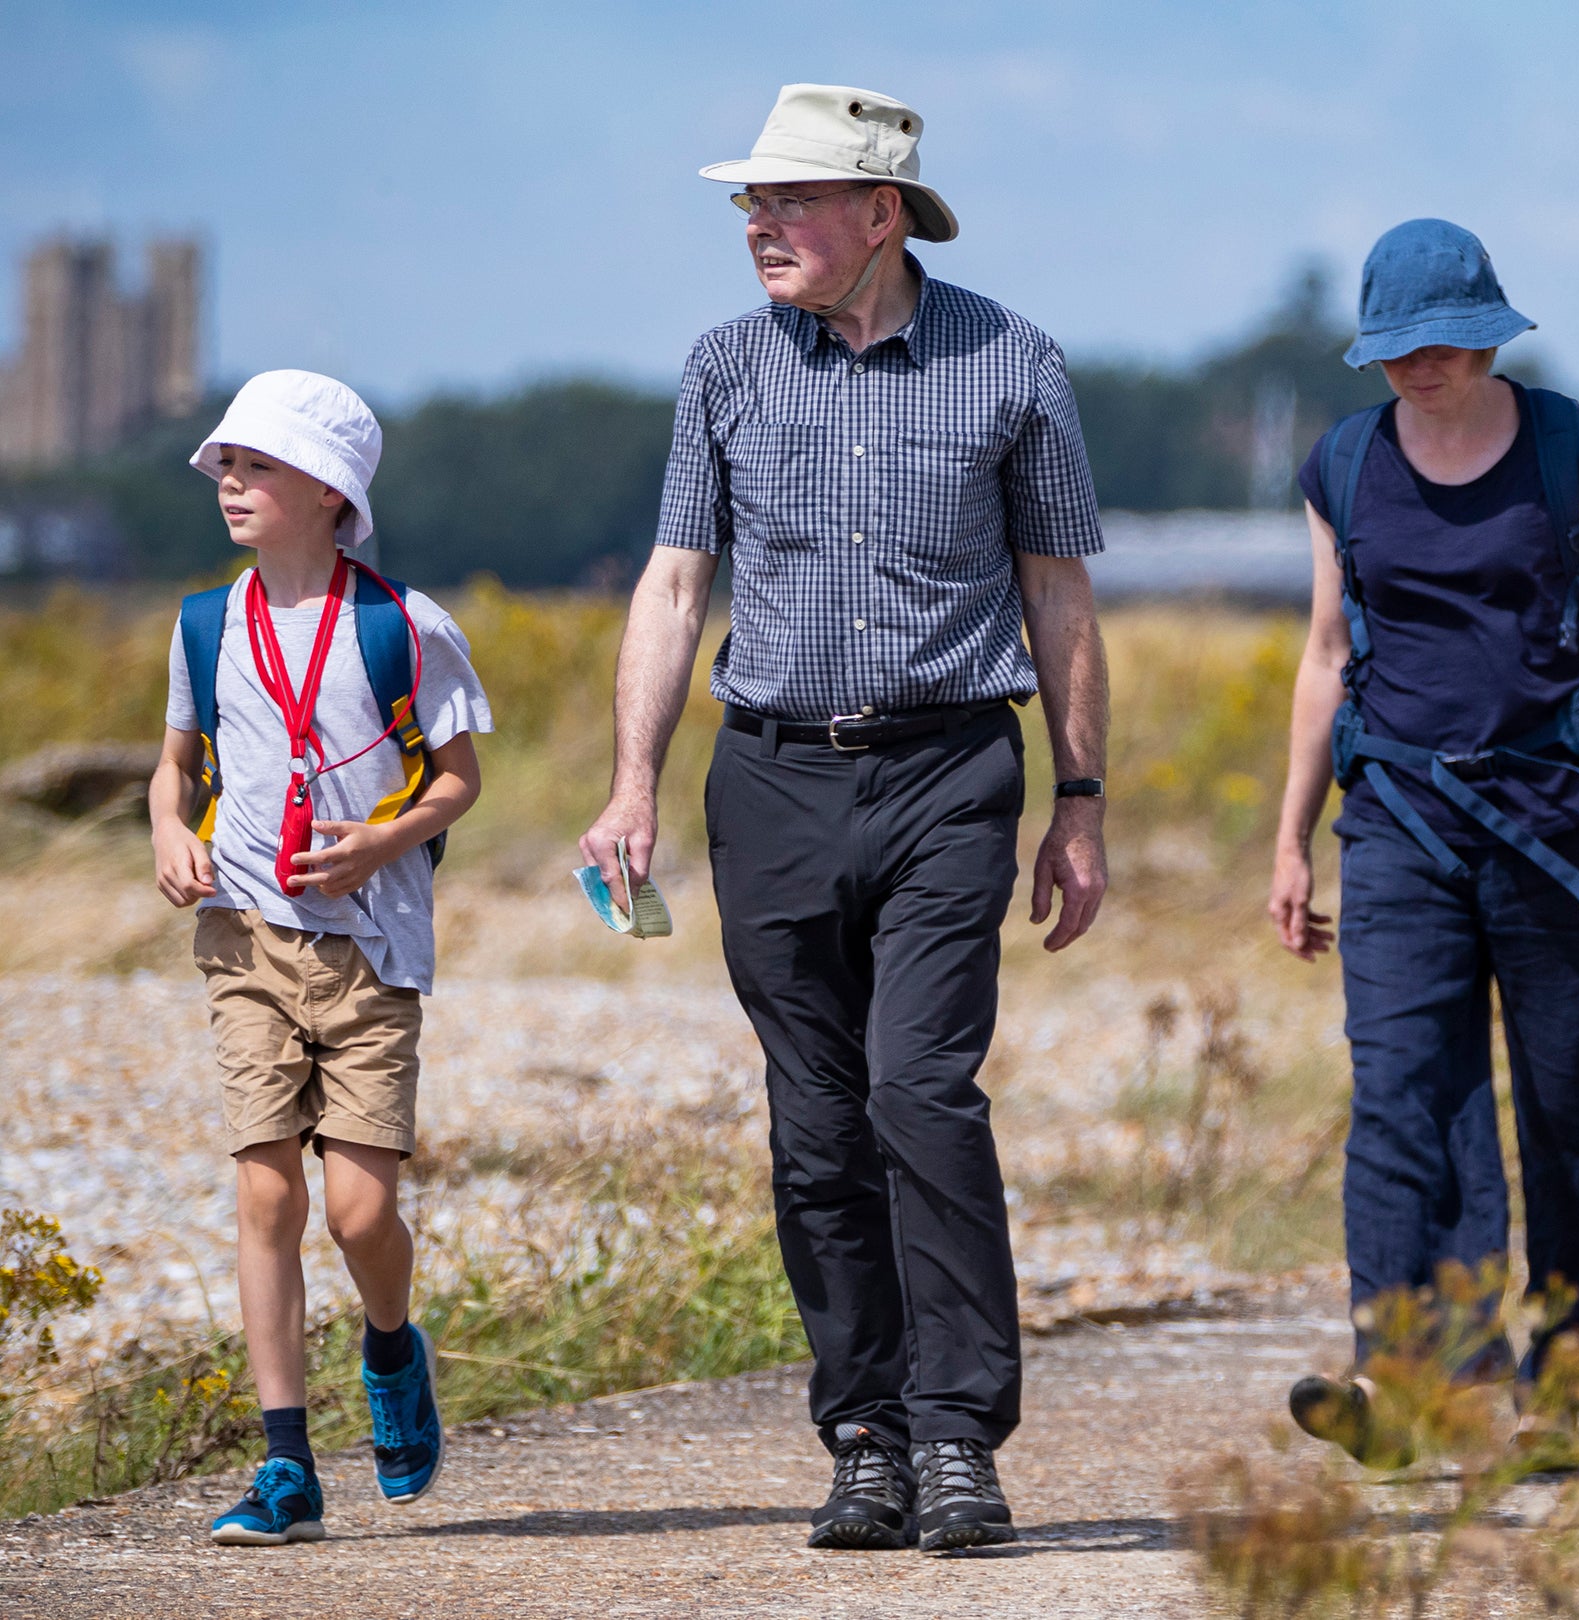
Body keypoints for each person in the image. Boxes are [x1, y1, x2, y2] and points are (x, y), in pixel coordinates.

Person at [577, 84, 1110, 1553]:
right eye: (750, 202)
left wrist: (1080, 799)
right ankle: (864, 1432)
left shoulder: (1016, 363)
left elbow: (1059, 590)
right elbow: (676, 581)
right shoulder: (725, 369)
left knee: (920, 1092)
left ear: (882, 213)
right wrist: (632, 783)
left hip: (952, 771)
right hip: (773, 776)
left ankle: (959, 1439)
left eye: (790, 199)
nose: (757, 224)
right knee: (815, 1123)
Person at [1266, 218, 1579, 1464]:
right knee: (1404, 1096)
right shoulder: (1343, 466)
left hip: (1561, 826)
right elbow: (1325, 656)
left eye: (1441, 345)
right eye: (1394, 350)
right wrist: (1293, 839)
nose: (1418, 368)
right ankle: (1406, 1380)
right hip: (1401, 826)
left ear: (1487, 332)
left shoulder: (1574, 446)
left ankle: (1572, 1372)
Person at [145, 370, 491, 1545]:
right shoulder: (207, 620)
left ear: (331, 492)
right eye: (227, 467)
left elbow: (458, 780)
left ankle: (391, 1351)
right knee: (267, 1192)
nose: (232, 484)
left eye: (258, 467)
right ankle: (285, 1463)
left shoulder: (405, 625)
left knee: (355, 1213)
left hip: (373, 947)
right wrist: (164, 834)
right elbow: (177, 762)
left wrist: (384, 840)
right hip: (243, 936)